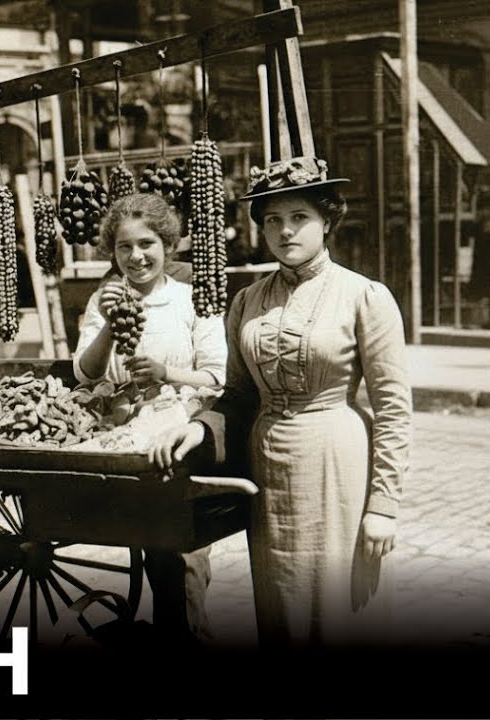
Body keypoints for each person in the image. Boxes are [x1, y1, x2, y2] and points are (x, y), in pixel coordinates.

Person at [150, 156, 412, 647]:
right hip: (269, 466)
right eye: (273, 220)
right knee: (281, 601)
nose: (285, 231)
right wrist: (200, 427)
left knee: (340, 601)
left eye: (299, 218)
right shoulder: (247, 301)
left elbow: (394, 409)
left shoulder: (364, 297)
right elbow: (238, 394)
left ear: (327, 221)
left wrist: (384, 506)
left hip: (337, 461)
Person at [73, 192, 227, 642]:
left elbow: (217, 376)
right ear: (112, 251)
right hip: (122, 439)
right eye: (125, 247)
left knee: (179, 559)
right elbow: (83, 373)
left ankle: (187, 643)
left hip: (176, 436)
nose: (136, 257)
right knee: (148, 546)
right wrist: (105, 322)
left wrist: (166, 372)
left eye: (147, 244)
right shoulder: (103, 299)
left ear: (167, 245)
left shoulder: (192, 299)